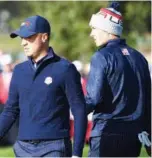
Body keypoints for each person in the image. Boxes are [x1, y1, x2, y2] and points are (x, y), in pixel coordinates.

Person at [0, 15, 87, 157]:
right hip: (23, 148)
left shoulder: (65, 69)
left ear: (44, 37)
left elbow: (79, 110)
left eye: (28, 38)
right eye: (21, 38)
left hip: (54, 147)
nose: (23, 43)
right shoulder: (19, 70)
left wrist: (77, 153)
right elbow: (10, 111)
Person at [86, 2, 151, 157]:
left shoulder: (101, 57)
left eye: (94, 28)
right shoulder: (140, 58)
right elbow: (148, 101)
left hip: (106, 133)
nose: (92, 33)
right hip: (134, 137)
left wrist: (67, 107)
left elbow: (92, 99)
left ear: (107, 29)